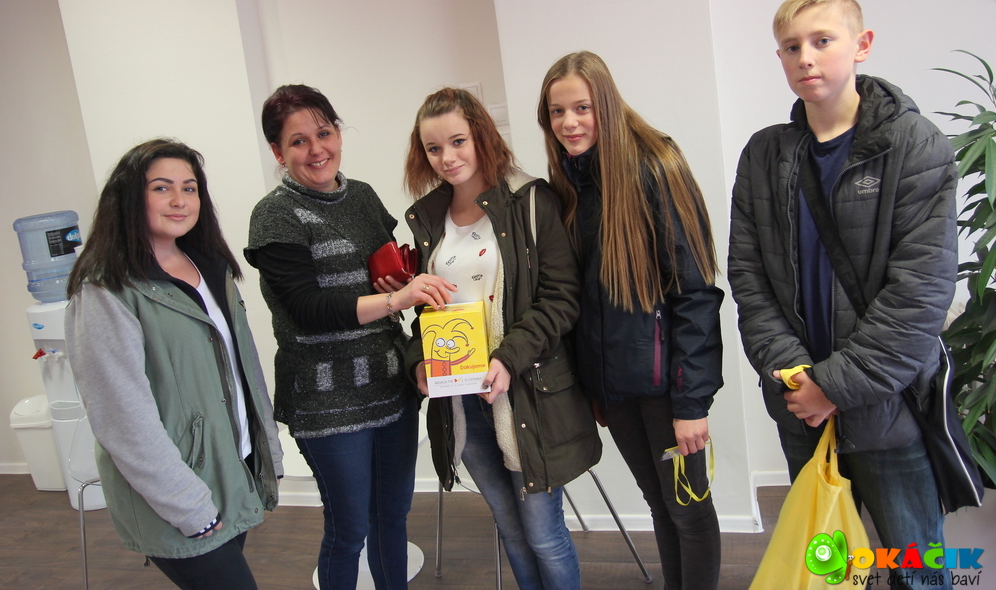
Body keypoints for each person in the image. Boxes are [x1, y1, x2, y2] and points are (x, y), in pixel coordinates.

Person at [727, 0, 957, 589]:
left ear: (861, 45)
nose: (805, 57)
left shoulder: (914, 144)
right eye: (790, 47)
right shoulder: (764, 155)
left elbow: (920, 293)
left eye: (822, 40)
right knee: (827, 570)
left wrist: (833, 386)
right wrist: (798, 378)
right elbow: (749, 280)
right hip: (800, 404)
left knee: (916, 569)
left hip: (887, 407)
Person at [245, 84, 454, 590]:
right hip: (326, 401)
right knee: (349, 531)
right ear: (278, 152)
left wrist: (404, 281)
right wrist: (396, 299)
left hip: (389, 387)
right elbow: (308, 310)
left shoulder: (361, 196)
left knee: (392, 520)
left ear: (338, 133)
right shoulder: (275, 215)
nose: (316, 149)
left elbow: (387, 269)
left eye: (324, 133)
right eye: (298, 141)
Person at [539, 51, 723, 590]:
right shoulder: (571, 183)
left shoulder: (655, 167)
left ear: (607, 104)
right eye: (556, 112)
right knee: (659, 505)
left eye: (582, 108)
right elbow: (582, 299)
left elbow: (695, 293)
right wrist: (594, 385)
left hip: (668, 388)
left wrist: (691, 404)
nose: (569, 123)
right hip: (616, 388)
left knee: (688, 507)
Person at [404, 87, 601, 590]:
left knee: (543, 534)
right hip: (460, 401)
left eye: (458, 142)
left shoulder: (529, 199)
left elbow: (561, 297)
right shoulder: (428, 217)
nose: (447, 158)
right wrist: (419, 361)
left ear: (481, 136)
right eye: (433, 148)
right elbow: (426, 312)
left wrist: (509, 359)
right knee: (510, 529)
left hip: (525, 394)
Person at [65, 139, 282, 590]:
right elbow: (122, 419)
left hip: (233, 466)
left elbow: (245, 370)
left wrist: (267, 451)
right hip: (178, 489)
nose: (180, 200)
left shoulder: (212, 267)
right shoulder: (106, 290)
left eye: (190, 188)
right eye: (161, 188)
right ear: (129, 197)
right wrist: (187, 504)